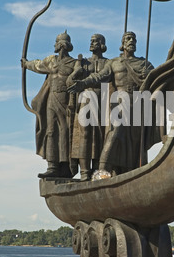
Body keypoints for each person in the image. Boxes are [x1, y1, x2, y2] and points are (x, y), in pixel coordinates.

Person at [68, 31, 156, 175]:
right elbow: (99, 77)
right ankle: (102, 171)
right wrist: (83, 83)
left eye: (134, 39)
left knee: (135, 141)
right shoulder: (114, 63)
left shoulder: (144, 64)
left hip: (138, 104)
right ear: (122, 44)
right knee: (114, 135)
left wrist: (149, 77)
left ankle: (130, 172)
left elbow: (157, 80)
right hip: (120, 102)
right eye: (128, 39)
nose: (131, 41)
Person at [21, 30, 77, 178]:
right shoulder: (51, 61)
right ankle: (52, 166)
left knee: (65, 131)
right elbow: (38, 65)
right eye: (58, 43)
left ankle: (65, 166)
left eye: (60, 43)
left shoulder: (73, 63)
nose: (58, 46)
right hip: (51, 98)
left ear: (65, 45)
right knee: (51, 131)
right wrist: (26, 64)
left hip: (66, 101)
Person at [67, 34, 109, 181]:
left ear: (102, 44)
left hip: (103, 100)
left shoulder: (108, 63)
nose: (92, 43)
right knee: (84, 135)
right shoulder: (83, 62)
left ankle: (97, 171)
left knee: (100, 136)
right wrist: (77, 71)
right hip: (85, 99)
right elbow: (69, 82)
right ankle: (85, 171)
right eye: (91, 40)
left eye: (95, 41)